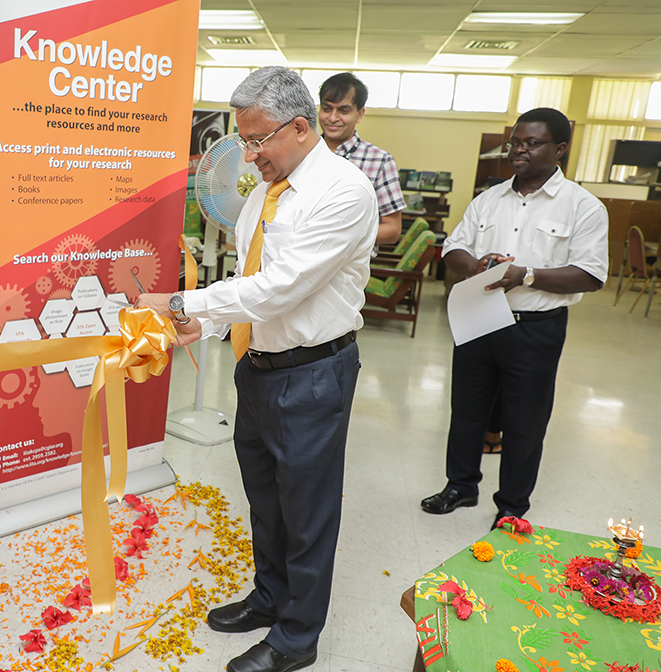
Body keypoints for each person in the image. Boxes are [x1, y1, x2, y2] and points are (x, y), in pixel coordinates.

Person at [137, 66, 377, 672]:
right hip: (259, 368)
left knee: (308, 510)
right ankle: (270, 598)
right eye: (243, 141)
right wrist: (209, 324)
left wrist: (178, 303)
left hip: (314, 374)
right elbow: (247, 281)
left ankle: (297, 637)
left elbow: (280, 289)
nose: (248, 155)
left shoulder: (342, 193)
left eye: (256, 140)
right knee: (266, 498)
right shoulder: (263, 195)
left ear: (299, 127)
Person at [420, 107, 608, 529]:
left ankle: (511, 508)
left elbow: (591, 275)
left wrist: (524, 275)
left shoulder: (583, 207)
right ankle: (461, 486)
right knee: (466, 411)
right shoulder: (488, 198)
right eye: (515, 142)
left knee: (525, 423)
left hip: (534, 330)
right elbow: (453, 247)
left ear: (559, 150)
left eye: (532, 143)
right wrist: (476, 265)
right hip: (478, 318)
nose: (519, 150)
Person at [319, 72, 405, 246]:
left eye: (343, 111)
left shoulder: (380, 161)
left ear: (359, 114)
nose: (333, 118)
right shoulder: (303, 155)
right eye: (327, 109)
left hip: (350, 267)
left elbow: (393, 229)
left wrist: (343, 237)